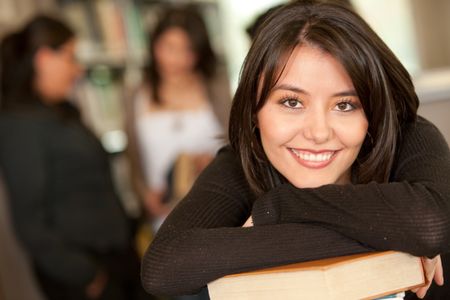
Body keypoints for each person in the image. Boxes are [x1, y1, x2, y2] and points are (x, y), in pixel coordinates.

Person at [141, 2, 450, 299]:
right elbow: (164, 267)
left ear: (373, 113)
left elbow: (432, 224)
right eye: (292, 102)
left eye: (345, 105)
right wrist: (394, 238)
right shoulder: (244, 160)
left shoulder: (407, 135)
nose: (317, 132)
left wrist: (281, 207)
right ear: (253, 110)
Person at [0, 15, 150, 300]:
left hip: (116, 258)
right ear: (43, 58)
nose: (77, 69)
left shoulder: (63, 112)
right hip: (85, 275)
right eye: (70, 57)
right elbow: (30, 222)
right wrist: (86, 275)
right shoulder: (18, 125)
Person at [125, 4, 231, 232]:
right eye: (168, 47)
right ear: (154, 45)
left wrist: (213, 162)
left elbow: (237, 147)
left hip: (216, 210)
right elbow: (133, 159)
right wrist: (145, 196)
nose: (176, 59)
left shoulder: (217, 90)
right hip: (163, 217)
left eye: (187, 50)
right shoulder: (136, 95)